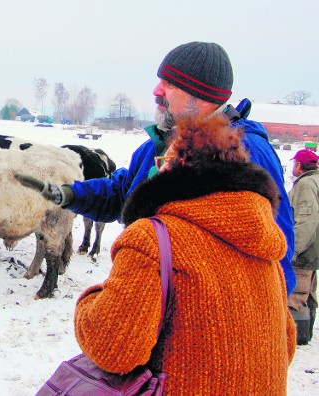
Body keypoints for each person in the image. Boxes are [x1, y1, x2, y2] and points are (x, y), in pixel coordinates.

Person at [17, 41, 296, 295]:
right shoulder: (159, 145)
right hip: (153, 296)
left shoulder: (245, 152)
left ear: (200, 96)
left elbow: (275, 247)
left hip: (209, 316)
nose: (156, 90)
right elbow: (122, 192)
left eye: (169, 84)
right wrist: (67, 195)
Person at [72, 114, 296, 394]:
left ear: (177, 168)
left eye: (162, 162)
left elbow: (114, 348)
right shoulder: (266, 247)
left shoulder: (152, 238)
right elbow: (286, 346)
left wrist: (91, 300)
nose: (158, 171)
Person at [287, 149, 319, 345]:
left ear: (299, 165)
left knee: (297, 293)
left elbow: (307, 220)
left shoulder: (306, 184)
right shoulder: (315, 180)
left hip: (305, 249)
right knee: (310, 292)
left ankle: (298, 337)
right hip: (315, 247)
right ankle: (307, 331)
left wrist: (294, 250)